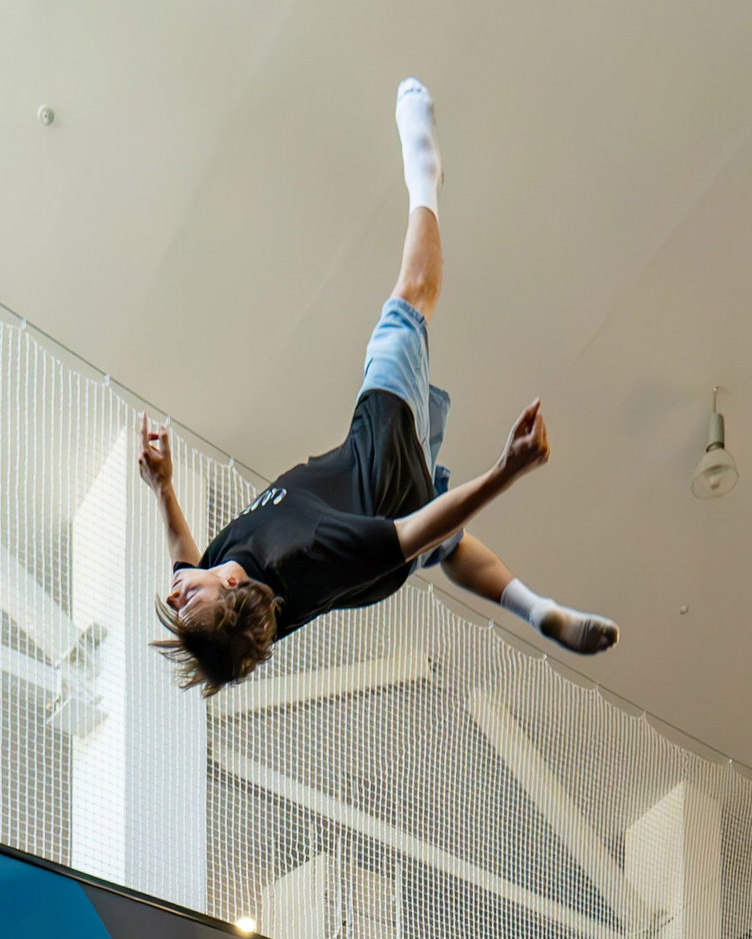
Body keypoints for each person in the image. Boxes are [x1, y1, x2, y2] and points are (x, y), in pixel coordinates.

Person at [139, 77, 618, 695]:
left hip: (381, 546)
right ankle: (425, 173)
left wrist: (164, 488)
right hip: (381, 467)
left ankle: (537, 611)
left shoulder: (228, 589)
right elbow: (408, 532)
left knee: (444, 546)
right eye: (187, 600)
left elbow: (186, 559)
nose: (176, 590)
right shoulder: (303, 551)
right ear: (228, 586)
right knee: (407, 305)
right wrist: (507, 469)